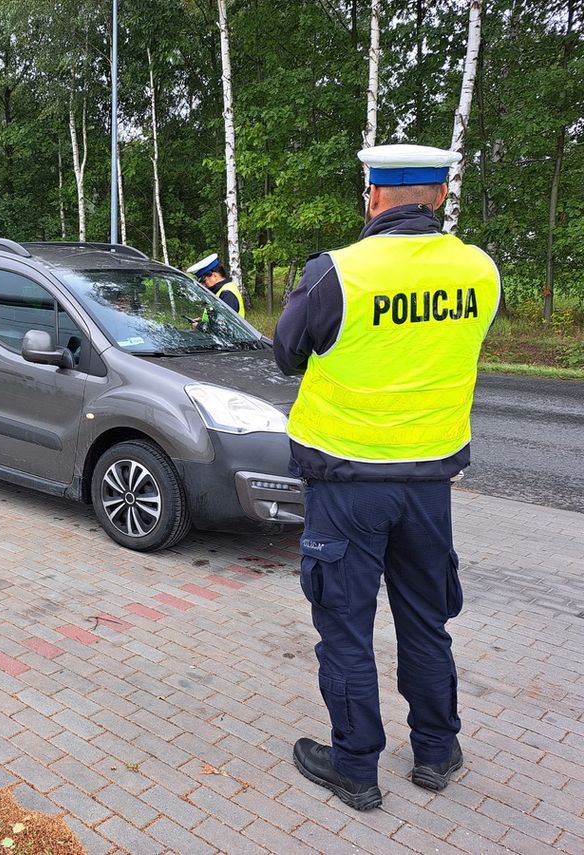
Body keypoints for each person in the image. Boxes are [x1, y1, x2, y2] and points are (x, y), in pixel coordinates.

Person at [273, 144, 500, 811]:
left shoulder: (336, 273)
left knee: (345, 626)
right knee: (426, 621)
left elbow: (287, 353)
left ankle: (355, 767)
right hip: (429, 484)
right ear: (440, 195)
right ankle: (435, 751)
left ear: (373, 195)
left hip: (345, 482)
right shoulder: (480, 271)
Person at [187, 253, 245, 318]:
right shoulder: (219, 291)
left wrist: (199, 326)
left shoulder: (227, 294)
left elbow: (223, 325)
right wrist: (202, 322)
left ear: (215, 275)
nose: (203, 285)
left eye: (204, 281)